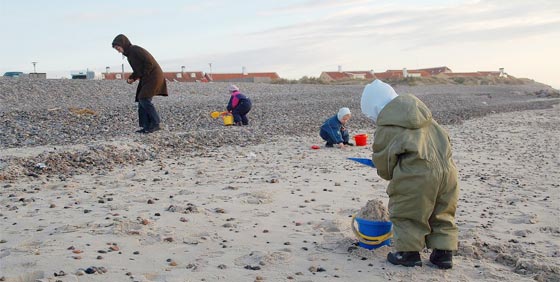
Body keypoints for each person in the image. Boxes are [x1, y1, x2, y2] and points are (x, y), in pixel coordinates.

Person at [361, 79, 459, 269]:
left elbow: (384, 161)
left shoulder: (388, 126)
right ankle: (443, 254)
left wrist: (386, 171)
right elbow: (445, 141)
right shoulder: (426, 116)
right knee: (442, 211)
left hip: (417, 175)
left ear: (376, 108)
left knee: (407, 212)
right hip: (448, 172)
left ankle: (408, 253)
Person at [112, 34, 168, 134]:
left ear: (123, 44)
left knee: (144, 98)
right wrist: (132, 78)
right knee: (141, 99)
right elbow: (138, 70)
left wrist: (143, 75)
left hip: (153, 76)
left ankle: (156, 124)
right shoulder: (129, 55)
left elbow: (149, 62)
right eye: (116, 49)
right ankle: (146, 126)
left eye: (118, 47)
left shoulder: (135, 49)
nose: (118, 50)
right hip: (147, 78)